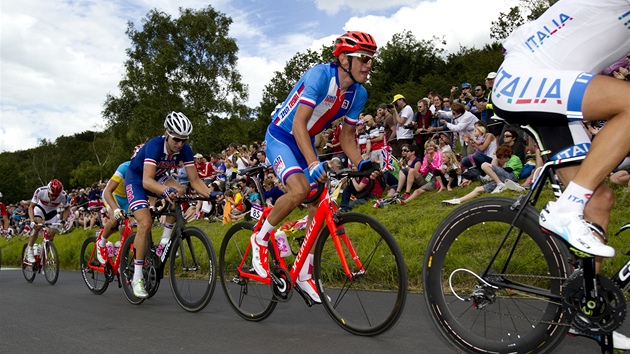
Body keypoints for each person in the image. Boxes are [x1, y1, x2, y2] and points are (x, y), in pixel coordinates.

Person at [493, 3, 630, 345]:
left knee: (600, 200)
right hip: (522, 78)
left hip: (558, 86)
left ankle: (585, 313)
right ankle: (566, 206)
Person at [251, 31, 377, 304]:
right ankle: (260, 239)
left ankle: (305, 273)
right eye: (364, 59)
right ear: (344, 59)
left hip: (304, 140)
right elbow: (298, 125)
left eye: (371, 60)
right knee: (299, 189)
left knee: (318, 204)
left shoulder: (358, 94)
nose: (368, 65)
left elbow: (346, 137)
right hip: (281, 137)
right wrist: (312, 162)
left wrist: (362, 163)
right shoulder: (320, 76)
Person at [124, 112, 211, 298]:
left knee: (179, 191)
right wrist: (164, 191)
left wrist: (212, 195)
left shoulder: (185, 149)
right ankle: (137, 278)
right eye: (176, 139)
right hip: (138, 180)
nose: (180, 144)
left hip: (158, 177)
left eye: (184, 140)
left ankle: (164, 241)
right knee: (145, 224)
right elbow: (147, 181)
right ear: (167, 133)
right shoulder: (155, 146)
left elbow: (194, 180)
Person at [94, 145, 142, 264]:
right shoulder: (124, 167)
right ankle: (101, 242)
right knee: (115, 219)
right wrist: (115, 209)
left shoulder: (147, 170)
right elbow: (108, 191)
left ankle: (121, 255)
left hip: (127, 198)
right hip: (112, 195)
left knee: (125, 226)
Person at [442, 145, 523, 205]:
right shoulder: (505, 160)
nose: (501, 159)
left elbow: (509, 170)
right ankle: (459, 200)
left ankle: (499, 184)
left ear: (506, 154)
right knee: (478, 189)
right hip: (503, 179)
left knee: (485, 165)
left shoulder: (515, 158)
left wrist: (494, 169)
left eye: (502, 157)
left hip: (511, 177)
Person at [26, 179, 70, 263]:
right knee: (37, 226)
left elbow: (67, 208)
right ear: (48, 191)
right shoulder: (40, 191)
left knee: (51, 235)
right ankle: (30, 249)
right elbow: (31, 207)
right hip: (40, 210)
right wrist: (32, 220)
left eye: (56, 196)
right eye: (52, 195)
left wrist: (64, 220)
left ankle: (43, 258)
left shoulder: (63, 195)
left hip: (52, 212)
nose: (53, 197)